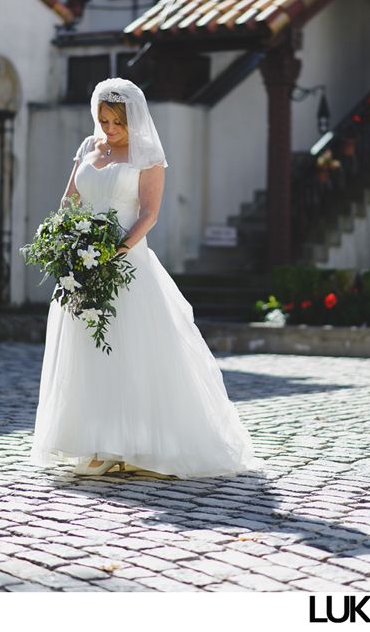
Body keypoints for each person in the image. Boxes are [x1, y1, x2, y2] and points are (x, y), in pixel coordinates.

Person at [31, 78, 262, 478]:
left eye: (115, 121)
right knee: (86, 351)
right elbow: (69, 200)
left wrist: (113, 253)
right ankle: (97, 441)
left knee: (130, 350)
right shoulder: (88, 149)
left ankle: (137, 444)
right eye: (103, 119)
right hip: (81, 265)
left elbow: (149, 214)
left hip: (125, 262)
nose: (108, 129)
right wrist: (65, 244)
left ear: (130, 118)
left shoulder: (148, 155)